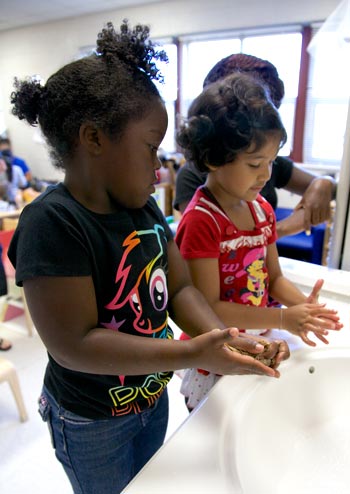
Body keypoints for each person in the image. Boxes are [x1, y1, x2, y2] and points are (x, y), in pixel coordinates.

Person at [7, 21, 290, 494]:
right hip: (92, 420)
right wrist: (190, 351)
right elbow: (74, 343)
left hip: (149, 396)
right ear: (93, 139)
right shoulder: (52, 223)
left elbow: (179, 288)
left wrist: (224, 337)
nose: (160, 167)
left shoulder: (141, 206)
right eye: (150, 149)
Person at [175, 72, 342, 410]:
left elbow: (274, 277)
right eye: (255, 164)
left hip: (260, 338)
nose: (266, 175)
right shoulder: (201, 221)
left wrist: (302, 310)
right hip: (219, 353)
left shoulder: (262, 209)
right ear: (212, 159)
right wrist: (282, 319)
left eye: (271, 162)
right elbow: (210, 307)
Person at [173, 53, 337, 238]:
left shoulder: (267, 165)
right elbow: (213, 243)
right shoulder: (192, 182)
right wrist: (276, 230)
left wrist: (323, 183)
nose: (265, 174)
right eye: (254, 164)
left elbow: (337, 189)